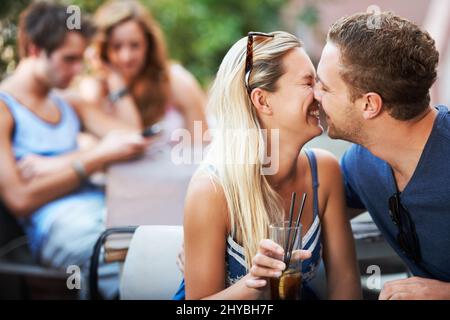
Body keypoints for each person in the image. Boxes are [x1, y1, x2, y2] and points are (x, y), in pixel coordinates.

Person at [249, 12, 450, 300]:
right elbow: (305, 203)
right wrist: (218, 236)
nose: (315, 95)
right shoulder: (362, 164)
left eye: (324, 86)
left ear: (369, 104)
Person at [175, 31, 362, 300]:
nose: (320, 94)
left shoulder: (324, 170)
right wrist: (253, 284)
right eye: (308, 83)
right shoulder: (211, 189)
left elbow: (345, 285)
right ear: (263, 100)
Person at [0, 2, 148, 299]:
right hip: (59, 229)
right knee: (129, 270)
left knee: (159, 248)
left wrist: (115, 78)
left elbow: (132, 140)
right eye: (69, 59)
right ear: (34, 49)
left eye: (81, 59)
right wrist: (96, 157)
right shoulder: (5, 108)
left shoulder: (69, 103)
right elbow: (19, 199)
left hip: (106, 212)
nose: (78, 69)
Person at [78, 0, 208, 137]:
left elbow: (201, 143)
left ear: (148, 45)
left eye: (135, 45)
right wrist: (116, 83)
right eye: (116, 47)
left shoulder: (175, 81)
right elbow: (129, 139)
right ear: (102, 50)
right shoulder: (93, 90)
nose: (126, 57)